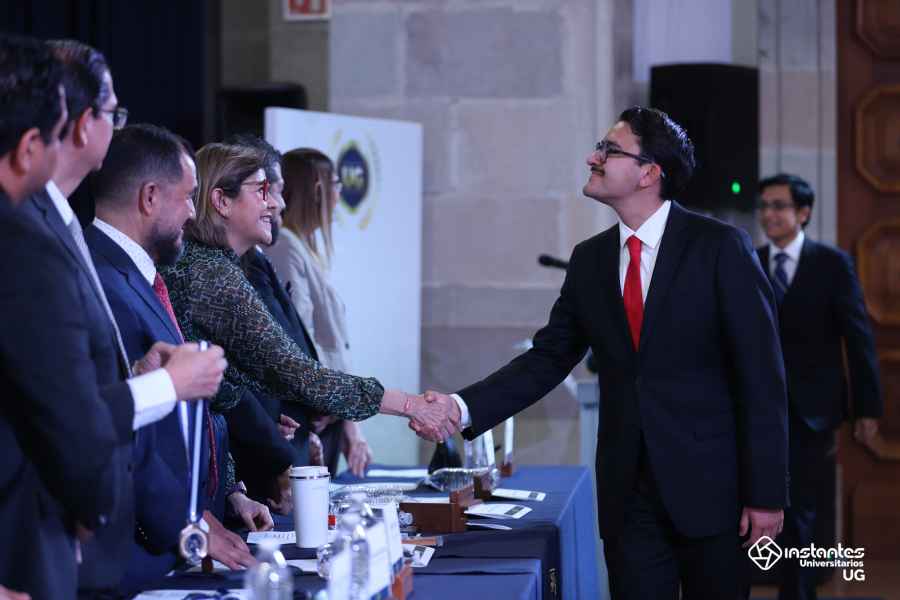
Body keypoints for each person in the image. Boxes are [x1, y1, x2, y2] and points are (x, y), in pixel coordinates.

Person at [419, 107, 789, 599]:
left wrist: (766, 493)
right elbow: (547, 359)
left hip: (714, 492)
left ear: (649, 172)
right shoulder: (590, 260)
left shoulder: (721, 248)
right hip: (627, 497)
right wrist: (460, 407)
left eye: (610, 150)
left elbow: (762, 378)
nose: (592, 158)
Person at [21, 40, 228, 597]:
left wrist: (138, 374)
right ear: (79, 123)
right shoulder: (25, 229)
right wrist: (167, 385)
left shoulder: (58, 222)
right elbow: (52, 410)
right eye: (113, 112)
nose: (117, 127)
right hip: (46, 543)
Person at [159, 143, 445, 479]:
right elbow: (295, 371)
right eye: (262, 190)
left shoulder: (215, 265)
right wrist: (409, 404)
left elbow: (234, 379)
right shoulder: (212, 274)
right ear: (222, 201)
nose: (274, 203)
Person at [85, 124, 273, 589]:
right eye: (188, 197)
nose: (193, 212)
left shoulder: (134, 274)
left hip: (174, 534)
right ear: (150, 197)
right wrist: (187, 527)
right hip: (134, 553)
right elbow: (129, 433)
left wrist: (212, 506)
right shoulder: (104, 280)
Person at [756, 173, 882, 600]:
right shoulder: (748, 261)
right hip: (756, 410)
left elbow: (858, 337)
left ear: (803, 212)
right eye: (764, 206)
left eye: (778, 206)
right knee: (760, 507)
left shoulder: (832, 264)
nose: (768, 214)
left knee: (802, 510)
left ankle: (798, 593)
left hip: (812, 410)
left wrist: (867, 407)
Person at [265, 148, 373, 476]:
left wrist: (348, 419)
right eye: (336, 184)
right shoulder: (285, 246)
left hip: (329, 409)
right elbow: (299, 341)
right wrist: (334, 403)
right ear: (317, 190)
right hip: (314, 412)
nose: (339, 195)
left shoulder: (301, 246)